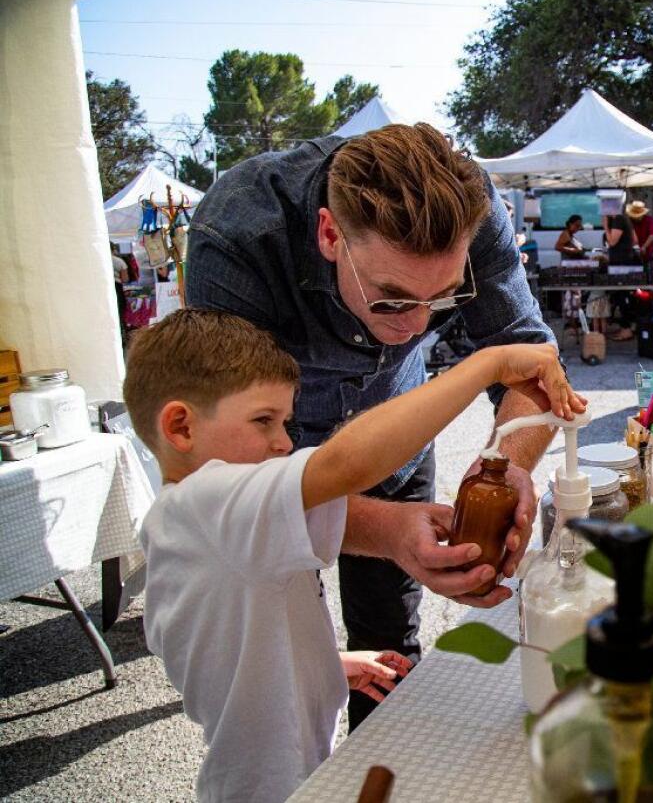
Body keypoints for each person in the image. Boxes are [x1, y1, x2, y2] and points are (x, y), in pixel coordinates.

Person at [124, 308, 584, 803]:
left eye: (285, 422)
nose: (283, 442)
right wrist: (486, 365)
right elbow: (348, 464)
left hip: (293, 767)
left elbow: (222, 637)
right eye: (263, 421)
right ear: (181, 427)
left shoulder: (216, 521)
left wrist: (323, 663)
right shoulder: (203, 501)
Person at [185, 123, 557, 729]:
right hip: (282, 458)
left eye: (441, 299)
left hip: (397, 445)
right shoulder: (239, 236)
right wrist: (385, 532)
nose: (414, 326)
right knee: (284, 662)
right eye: (390, 298)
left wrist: (507, 463)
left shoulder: (474, 208)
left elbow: (527, 354)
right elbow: (232, 473)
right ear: (330, 234)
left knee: (389, 653)